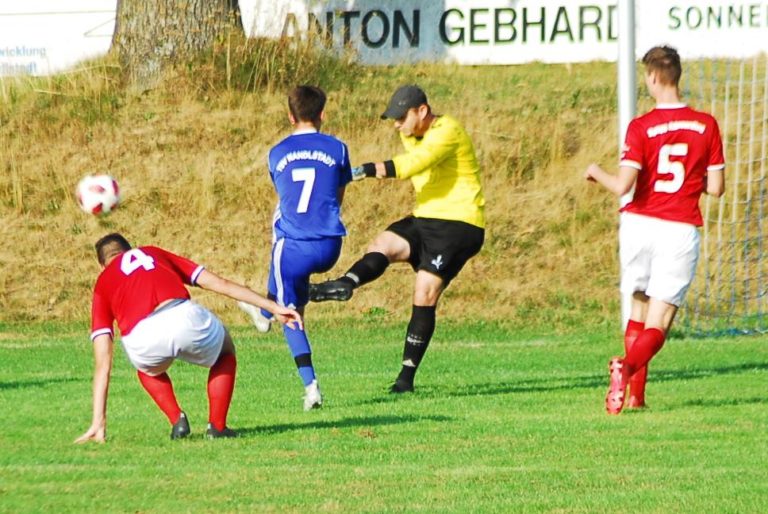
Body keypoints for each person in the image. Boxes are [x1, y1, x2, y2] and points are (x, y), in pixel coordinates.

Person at [310, 84, 486, 393]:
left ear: (422, 111)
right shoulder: (409, 133)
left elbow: (412, 166)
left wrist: (359, 171)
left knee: (425, 291)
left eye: (401, 117)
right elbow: (410, 155)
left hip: (460, 223)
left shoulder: (449, 131)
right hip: (426, 217)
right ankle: (345, 284)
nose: (396, 125)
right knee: (384, 244)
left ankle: (405, 379)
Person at [584, 45, 725, 415]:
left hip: (639, 225)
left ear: (651, 77)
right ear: (676, 76)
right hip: (677, 228)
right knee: (659, 322)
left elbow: (621, 186)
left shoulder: (642, 126)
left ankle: (636, 396)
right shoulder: (706, 125)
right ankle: (626, 369)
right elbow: (716, 187)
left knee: (638, 307)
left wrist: (595, 171)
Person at [75, 233, 302, 443]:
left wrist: (99, 421)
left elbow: (102, 364)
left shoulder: (103, 282)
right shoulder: (153, 253)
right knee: (225, 352)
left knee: (145, 369)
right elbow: (219, 284)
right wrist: (272, 306)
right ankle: (217, 427)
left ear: (103, 264)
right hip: (183, 317)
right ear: (130, 249)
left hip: (142, 337)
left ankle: (177, 420)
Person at [238, 85, 352, 410]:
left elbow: (285, 193)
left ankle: (311, 387)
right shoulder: (339, 149)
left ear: (290, 115)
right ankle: (262, 312)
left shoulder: (276, 152)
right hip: (331, 244)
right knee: (282, 238)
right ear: (323, 114)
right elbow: (338, 194)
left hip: (295, 248)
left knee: (290, 312)